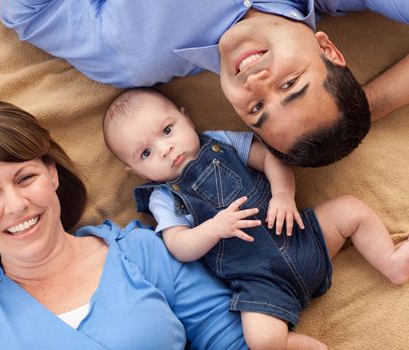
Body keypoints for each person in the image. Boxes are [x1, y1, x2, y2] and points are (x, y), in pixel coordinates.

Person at [0, 101, 248, 349]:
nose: (16, 204)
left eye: (25, 177)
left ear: (52, 174)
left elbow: (231, 342)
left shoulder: (142, 252)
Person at [103, 88, 409, 350]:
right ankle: (291, 344)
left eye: (167, 130)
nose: (165, 149)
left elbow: (270, 157)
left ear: (187, 117)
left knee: (350, 210)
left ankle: (391, 261)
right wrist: (214, 229)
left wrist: (283, 196)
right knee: (260, 340)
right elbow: (178, 245)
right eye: (146, 153)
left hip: (303, 236)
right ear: (137, 172)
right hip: (262, 285)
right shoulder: (164, 198)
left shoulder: (220, 142)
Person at [0, 0, 409, 167]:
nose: (255, 83)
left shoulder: (131, 56)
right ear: (329, 51)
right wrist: (367, 106)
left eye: (255, 110)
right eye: (289, 85)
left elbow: (28, 13)